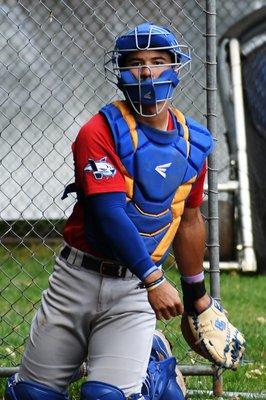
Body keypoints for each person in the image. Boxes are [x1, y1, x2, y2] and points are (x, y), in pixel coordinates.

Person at [5, 22, 214, 400]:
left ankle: (153, 373)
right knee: (32, 396)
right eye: (135, 62)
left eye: (157, 61)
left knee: (104, 397)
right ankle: (143, 361)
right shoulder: (98, 131)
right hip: (78, 277)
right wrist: (155, 280)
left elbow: (190, 219)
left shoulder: (193, 142)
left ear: (175, 68)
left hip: (132, 290)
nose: (147, 72)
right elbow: (108, 213)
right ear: (120, 74)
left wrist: (196, 296)